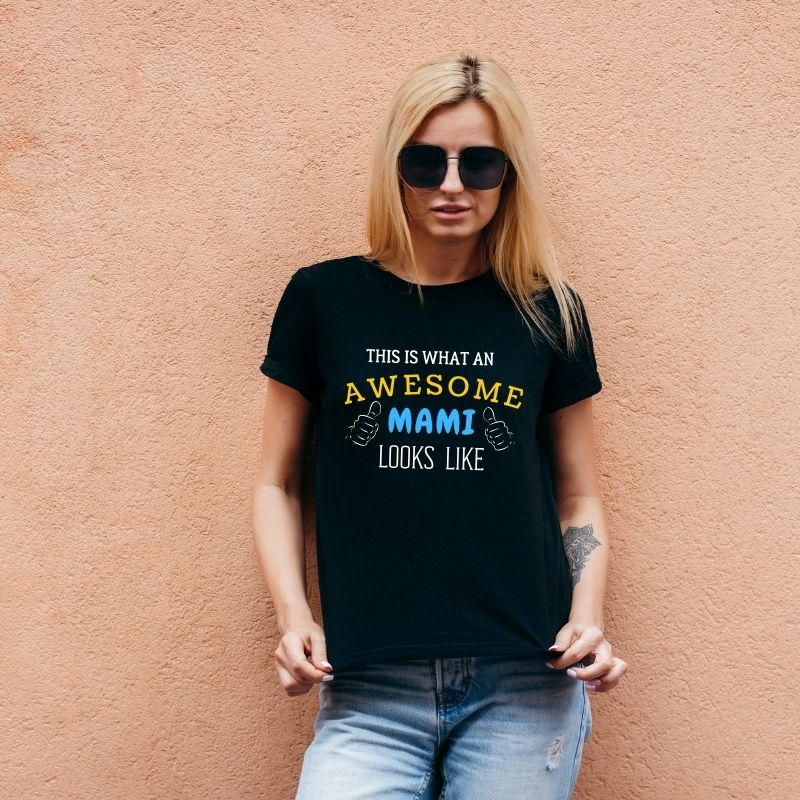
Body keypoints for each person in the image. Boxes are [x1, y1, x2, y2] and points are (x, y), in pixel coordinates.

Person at [252, 50, 628, 800]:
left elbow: (579, 495)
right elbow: (276, 482)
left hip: (526, 679)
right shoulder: (324, 300)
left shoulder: (548, 310)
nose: (452, 185)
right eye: (426, 162)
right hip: (368, 682)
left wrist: (587, 615)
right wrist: (294, 616)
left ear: (510, 174)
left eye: (479, 163)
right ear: (395, 169)